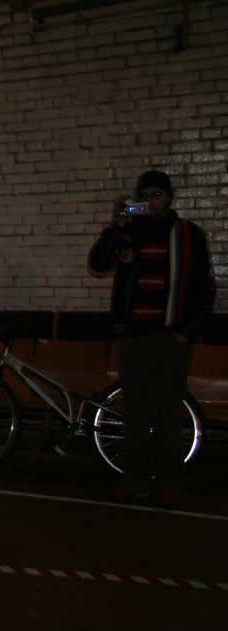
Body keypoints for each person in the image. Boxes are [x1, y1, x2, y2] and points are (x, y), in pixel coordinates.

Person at [88, 170, 215, 507]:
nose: (152, 201)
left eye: (157, 195)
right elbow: (98, 264)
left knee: (169, 416)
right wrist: (115, 227)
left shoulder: (188, 234)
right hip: (135, 339)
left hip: (171, 339)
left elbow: (205, 289)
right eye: (145, 196)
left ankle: (170, 484)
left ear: (169, 198)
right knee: (136, 415)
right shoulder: (128, 233)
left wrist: (188, 332)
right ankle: (135, 482)